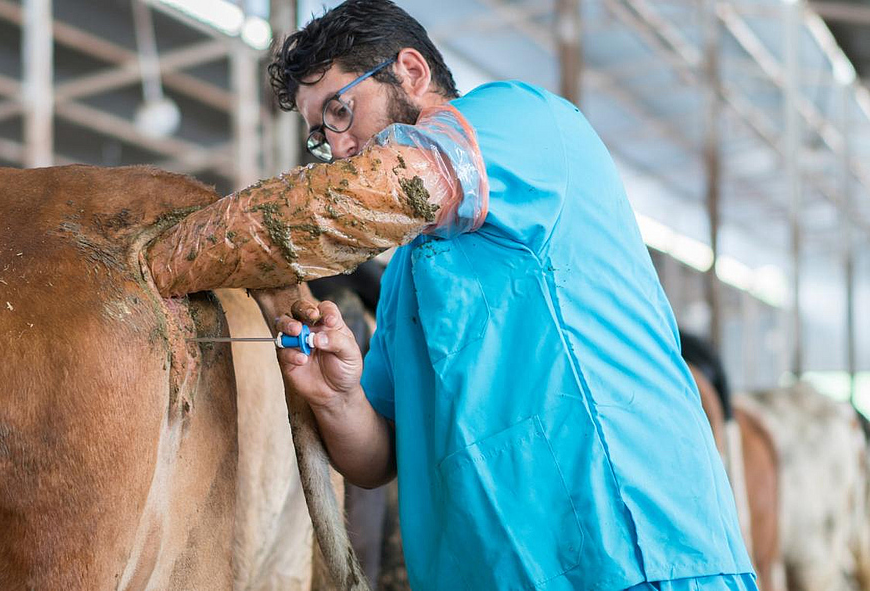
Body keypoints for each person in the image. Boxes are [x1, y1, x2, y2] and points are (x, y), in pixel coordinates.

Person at [146, 1, 757, 589]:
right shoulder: (409, 271)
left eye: (339, 110)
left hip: (626, 552)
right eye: (317, 133)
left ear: (411, 71)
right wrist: (337, 399)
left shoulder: (523, 120)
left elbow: (376, 191)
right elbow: (379, 457)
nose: (334, 146)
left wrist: (164, 258)